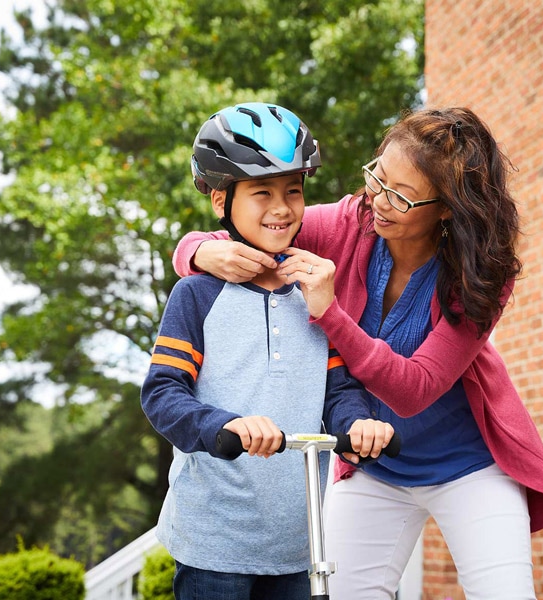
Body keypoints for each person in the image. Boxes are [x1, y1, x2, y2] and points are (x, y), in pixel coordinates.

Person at [172, 106, 543, 599]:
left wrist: (330, 314)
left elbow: (412, 389)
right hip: (374, 462)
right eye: (377, 176)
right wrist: (197, 252)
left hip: (468, 464)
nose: (377, 200)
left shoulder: (481, 274)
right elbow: (253, 226)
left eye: (400, 196)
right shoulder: (347, 223)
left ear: (446, 209)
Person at [140, 101, 394, 600]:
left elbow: (339, 391)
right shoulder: (197, 294)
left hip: (301, 544)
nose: (281, 208)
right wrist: (222, 425)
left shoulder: (315, 292)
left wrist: (356, 423)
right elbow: (163, 394)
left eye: (293, 191)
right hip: (216, 543)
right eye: (261, 192)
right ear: (220, 200)